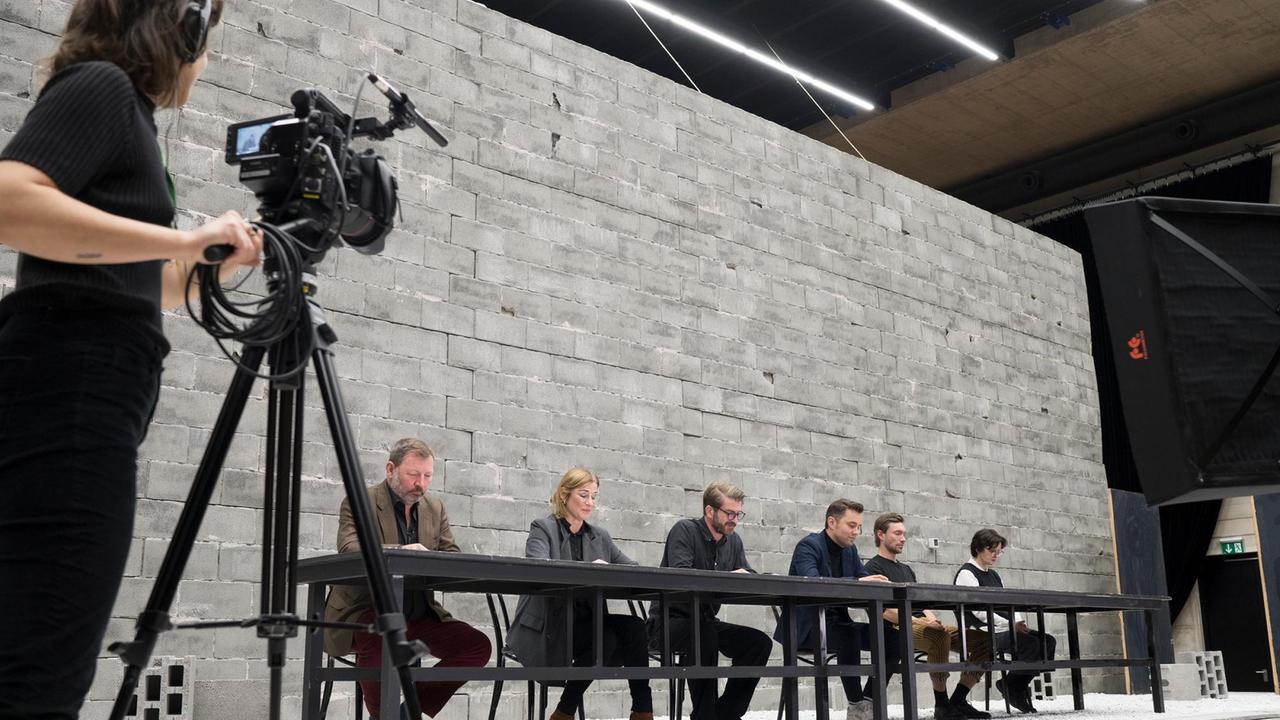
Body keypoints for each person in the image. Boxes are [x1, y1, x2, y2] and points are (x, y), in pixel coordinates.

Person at [0, 1, 262, 717]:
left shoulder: (127, 116)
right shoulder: (103, 88)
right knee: (41, 668)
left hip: (84, 389)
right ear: (180, 29)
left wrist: (212, 262)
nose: (203, 64)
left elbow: (149, 287)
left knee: (42, 650)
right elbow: (8, 201)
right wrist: (179, 241)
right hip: (73, 389)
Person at [323, 439, 491, 720]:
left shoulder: (435, 508)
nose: (421, 484)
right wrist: (402, 551)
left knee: (476, 646)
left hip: (417, 613)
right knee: (382, 634)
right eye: (413, 475)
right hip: (364, 612)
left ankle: (409, 713)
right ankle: (383, 716)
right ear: (390, 469)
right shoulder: (359, 500)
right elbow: (350, 548)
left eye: (427, 476)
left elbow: (451, 554)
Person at [505, 468, 654, 720]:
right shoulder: (543, 527)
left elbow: (633, 569)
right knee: (604, 639)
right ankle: (565, 712)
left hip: (587, 625)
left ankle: (642, 710)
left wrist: (612, 571)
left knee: (636, 628)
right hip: (550, 626)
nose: (590, 503)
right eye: (583, 495)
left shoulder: (600, 537)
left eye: (594, 497)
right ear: (564, 495)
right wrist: (587, 570)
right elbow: (537, 566)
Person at [647, 482, 772, 720]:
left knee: (758, 643)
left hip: (705, 621)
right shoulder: (684, 530)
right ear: (709, 511)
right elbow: (682, 577)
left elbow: (746, 574)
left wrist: (751, 578)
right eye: (729, 513)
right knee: (704, 633)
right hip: (667, 623)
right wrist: (727, 578)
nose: (734, 520)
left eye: (738, 514)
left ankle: (722, 715)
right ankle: (706, 715)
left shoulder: (733, 542)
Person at [863, 514, 992, 720]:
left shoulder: (906, 569)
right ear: (880, 534)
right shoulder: (872, 568)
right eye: (897, 533)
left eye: (904, 534)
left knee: (985, 640)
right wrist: (920, 621)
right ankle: (941, 703)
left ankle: (958, 700)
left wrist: (932, 618)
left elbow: (921, 603)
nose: (903, 538)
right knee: (937, 636)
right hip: (898, 626)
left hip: (921, 622)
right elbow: (883, 612)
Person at [777, 499, 889, 720]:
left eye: (859, 526)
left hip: (837, 623)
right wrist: (860, 581)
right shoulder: (808, 546)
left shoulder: (850, 550)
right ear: (832, 522)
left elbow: (861, 578)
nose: (856, 531)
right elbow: (814, 582)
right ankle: (856, 704)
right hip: (805, 627)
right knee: (850, 635)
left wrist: (874, 582)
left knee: (892, 637)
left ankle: (868, 702)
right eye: (851, 525)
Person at [954, 529, 1057, 714]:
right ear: (978, 548)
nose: (995, 555)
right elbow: (979, 611)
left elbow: (1008, 603)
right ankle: (1014, 689)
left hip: (1005, 628)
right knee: (1030, 644)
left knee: (1048, 641)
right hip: (983, 631)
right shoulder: (967, 574)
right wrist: (1010, 625)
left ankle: (1011, 685)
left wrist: (1018, 622)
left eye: (998, 551)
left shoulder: (994, 576)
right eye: (992, 550)